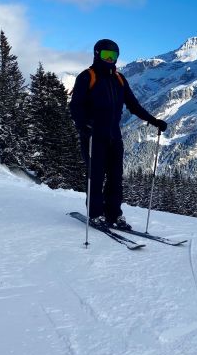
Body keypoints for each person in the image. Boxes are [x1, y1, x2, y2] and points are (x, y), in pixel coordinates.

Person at [69, 39, 167, 230]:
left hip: (114, 136)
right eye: (106, 55)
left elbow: (133, 105)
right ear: (97, 54)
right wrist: (83, 126)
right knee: (95, 177)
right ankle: (95, 214)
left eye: (113, 56)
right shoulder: (87, 77)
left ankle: (113, 215)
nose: (110, 59)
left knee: (115, 177)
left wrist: (154, 120)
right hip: (93, 137)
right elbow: (75, 106)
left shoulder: (119, 79)